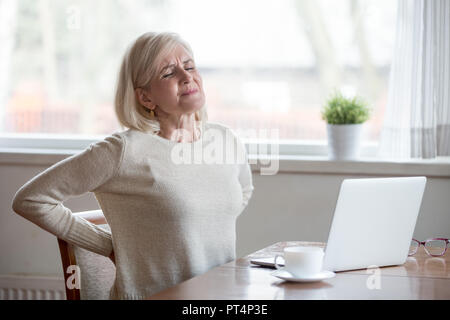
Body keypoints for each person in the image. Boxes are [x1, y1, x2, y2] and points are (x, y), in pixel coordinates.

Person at [11, 32, 254, 300]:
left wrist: (203, 218)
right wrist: (107, 244)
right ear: (146, 98)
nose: (187, 77)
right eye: (168, 73)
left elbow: (243, 190)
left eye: (189, 66)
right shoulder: (124, 151)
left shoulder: (224, 139)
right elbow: (31, 200)